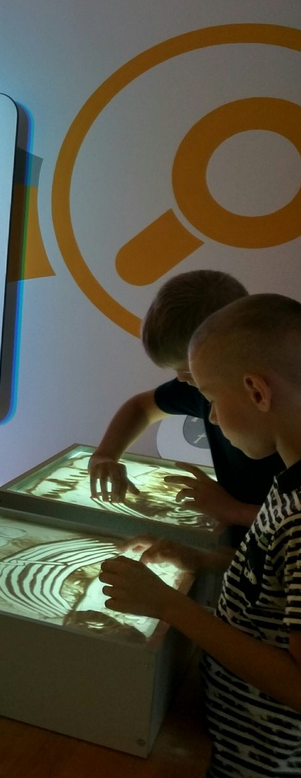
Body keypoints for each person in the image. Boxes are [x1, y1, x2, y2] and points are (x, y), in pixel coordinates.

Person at [100, 293, 301, 777]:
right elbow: (277, 583)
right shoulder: (288, 484)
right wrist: (205, 561)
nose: (209, 417)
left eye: (210, 400)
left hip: (258, 761)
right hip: (230, 730)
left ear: (256, 392)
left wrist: (171, 607)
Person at [89, 270, 284, 537]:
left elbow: (293, 517)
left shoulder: (285, 417)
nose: (182, 381)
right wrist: (105, 454)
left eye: (190, 373)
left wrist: (234, 511)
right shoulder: (197, 390)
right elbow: (141, 407)